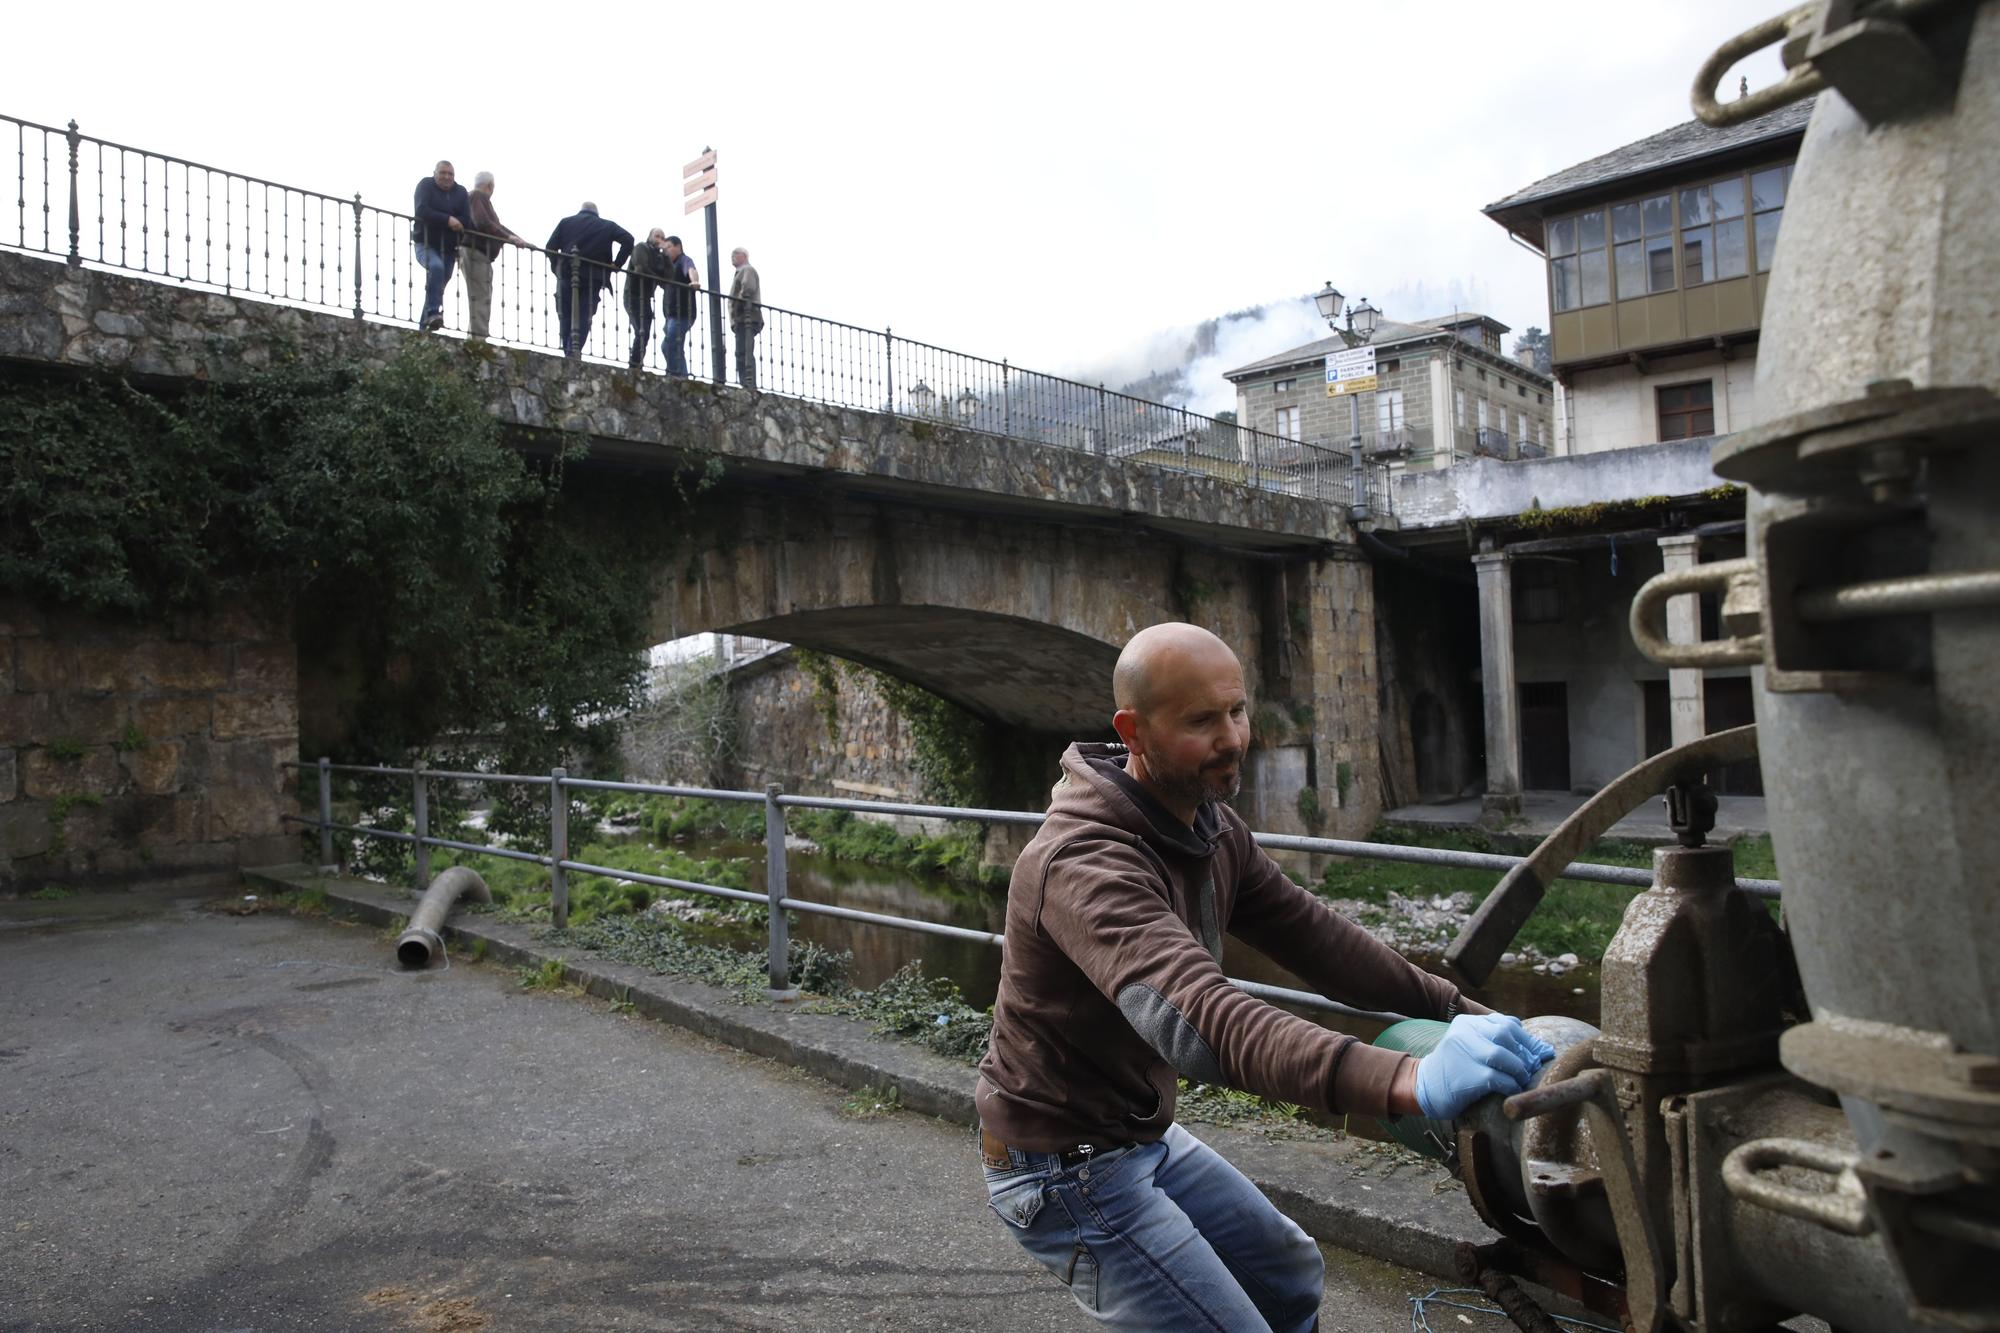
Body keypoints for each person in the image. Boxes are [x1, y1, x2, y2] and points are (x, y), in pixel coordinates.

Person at [976, 623, 1554, 1332]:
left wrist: (1462, 1011)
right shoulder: (1084, 862)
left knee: (1287, 1278)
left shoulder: (1206, 824)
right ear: (1134, 730)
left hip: (1132, 1133)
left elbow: (1319, 940)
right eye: (1202, 721)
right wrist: (1408, 1081)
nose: (1233, 737)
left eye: (1237, 710)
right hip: (1061, 1168)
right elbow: (1201, 1019)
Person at [544, 202, 634, 360]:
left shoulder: (566, 222)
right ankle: (573, 350)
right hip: (594, 276)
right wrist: (616, 265)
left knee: (565, 313)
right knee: (585, 315)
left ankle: (568, 350)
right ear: (596, 213)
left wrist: (557, 267)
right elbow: (628, 240)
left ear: (581, 210)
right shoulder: (607, 226)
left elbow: (550, 247)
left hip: (567, 273)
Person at [462, 171, 530, 340]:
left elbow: (494, 225)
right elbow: (483, 222)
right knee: (481, 296)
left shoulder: (473, 197)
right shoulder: (478, 196)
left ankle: (476, 336)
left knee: (479, 295)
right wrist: (509, 237)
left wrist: (516, 238)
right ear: (490, 186)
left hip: (474, 252)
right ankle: (477, 339)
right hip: (476, 252)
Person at [410, 160, 473, 332]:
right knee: (436, 268)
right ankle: (432, 313)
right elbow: (422, 210)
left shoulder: (460, 192)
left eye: (450, 174)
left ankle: (424, 328)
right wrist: (448, 220)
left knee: (438, 287)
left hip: (449, 249)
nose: (446, 177)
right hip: (426, 243)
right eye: (443, 173)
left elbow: (466, 220)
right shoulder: (425, 186)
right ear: (435, 173)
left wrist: (453, 222)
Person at [624, 229, 671, 371]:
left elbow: (668, 279)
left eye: (663, 237)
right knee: (641, 330)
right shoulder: (641, 247)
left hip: (645, 298)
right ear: (650, 236)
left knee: (645, 332)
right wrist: (658, 278)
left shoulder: (660, 257)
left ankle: (636, 364)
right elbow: (640, 268)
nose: (660, 239)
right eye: (657, 236)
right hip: (633, 294)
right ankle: (634, 364)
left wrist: (667, 256)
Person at [660, 234, 701, 378]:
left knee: (671, 344)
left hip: (681, 312)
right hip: (671, 314)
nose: (666, 251)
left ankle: (678, 377)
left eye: (669, 247)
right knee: (670, 346)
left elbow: (691, 270)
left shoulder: (684, 259)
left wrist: (694, 281)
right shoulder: (669, 265)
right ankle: (680, 375)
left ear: (678, 247)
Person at [728, 246, 762, 390]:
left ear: (744, 256)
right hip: (743, 318)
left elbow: (747, 288)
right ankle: (746, 382)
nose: (733, 257)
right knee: (742, 351)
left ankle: (748, 383)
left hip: (746, 317)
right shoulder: (741, 272)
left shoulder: (747, 270)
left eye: (736, 254)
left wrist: (737, 305)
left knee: (744, 351)